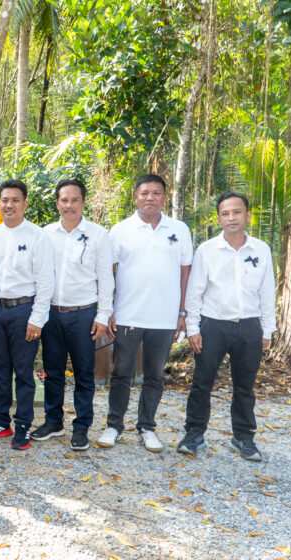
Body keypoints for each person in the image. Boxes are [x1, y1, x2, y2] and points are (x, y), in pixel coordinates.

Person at [177, 192, 276, 462]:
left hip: (249, 326)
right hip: (213, 326)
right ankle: (194, 434)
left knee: (245, 386)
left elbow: (268, 291)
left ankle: (243, 438)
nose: (231, 218)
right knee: (202, 382)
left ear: (247, 216)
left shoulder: (261, 250)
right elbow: (195, 291)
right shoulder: (207, 250)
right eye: (225, 213)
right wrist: (193, 328)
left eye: (237, 212)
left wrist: (267, 329)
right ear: (219, 219)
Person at [98, 174, 193, 453]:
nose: (150, 198)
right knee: (121, 373)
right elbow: (107, 272)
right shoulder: (120, 230)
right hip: (127, 314)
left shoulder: (179, 229)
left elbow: (185, 272)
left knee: (154, 375)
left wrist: (182, 312)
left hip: (164, 317)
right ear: (136, 197)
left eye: (156, 193)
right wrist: (109, 310)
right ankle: (114, 426)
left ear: (165, 197)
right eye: (144, 193)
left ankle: (147, 427)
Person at [32, 179, 114, 451]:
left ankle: (81, 428)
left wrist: (102, 315)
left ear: (83, 202)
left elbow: (106, 278)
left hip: (83, 315)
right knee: (52, 371)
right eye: (64, 200)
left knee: (83, 374)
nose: (69, 205)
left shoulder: (98, 235)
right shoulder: (45, 234)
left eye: (74, 200)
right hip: (52, 314)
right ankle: (53, 422)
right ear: (57, 203)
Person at [0, 179, 54, 450]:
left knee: (23, 371)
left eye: (15, 200)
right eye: (5, 200)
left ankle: (23, 424)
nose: (9, 205)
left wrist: (37, 319)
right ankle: (0, 421)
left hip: (24, 311)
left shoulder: (37, 236)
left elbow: (46, 282)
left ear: (25, 203)